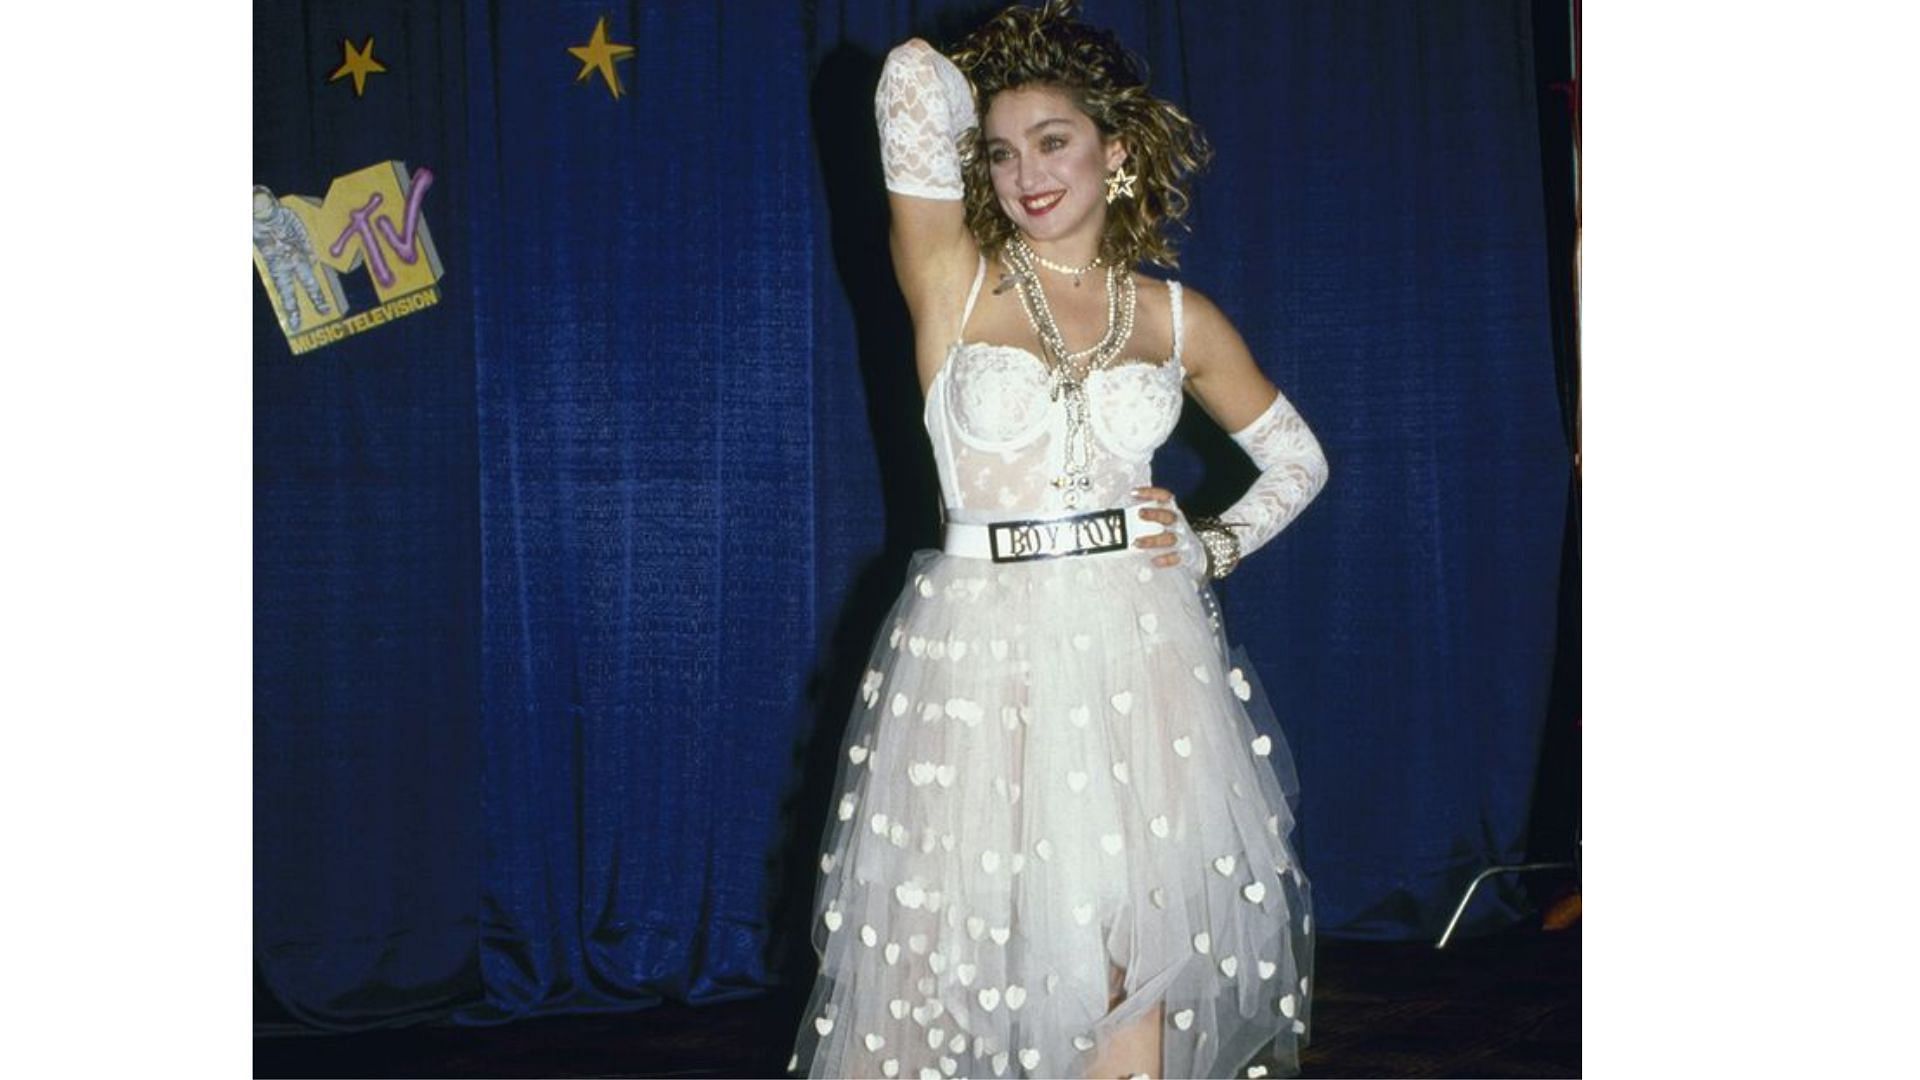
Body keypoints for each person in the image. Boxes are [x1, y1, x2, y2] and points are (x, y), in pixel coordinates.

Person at [790, 3, 1327, 1076]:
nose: (1026, 173)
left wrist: (1216, 544)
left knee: (1136, 942)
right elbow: (905, 80)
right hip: (982, 651)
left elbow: (1300, 462)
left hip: (1136, 648)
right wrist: (992, 68)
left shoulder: (1178, 318)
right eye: (999, 150)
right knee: (971, 949)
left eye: (1054, 140)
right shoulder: (952, 279)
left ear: (1114, 151)